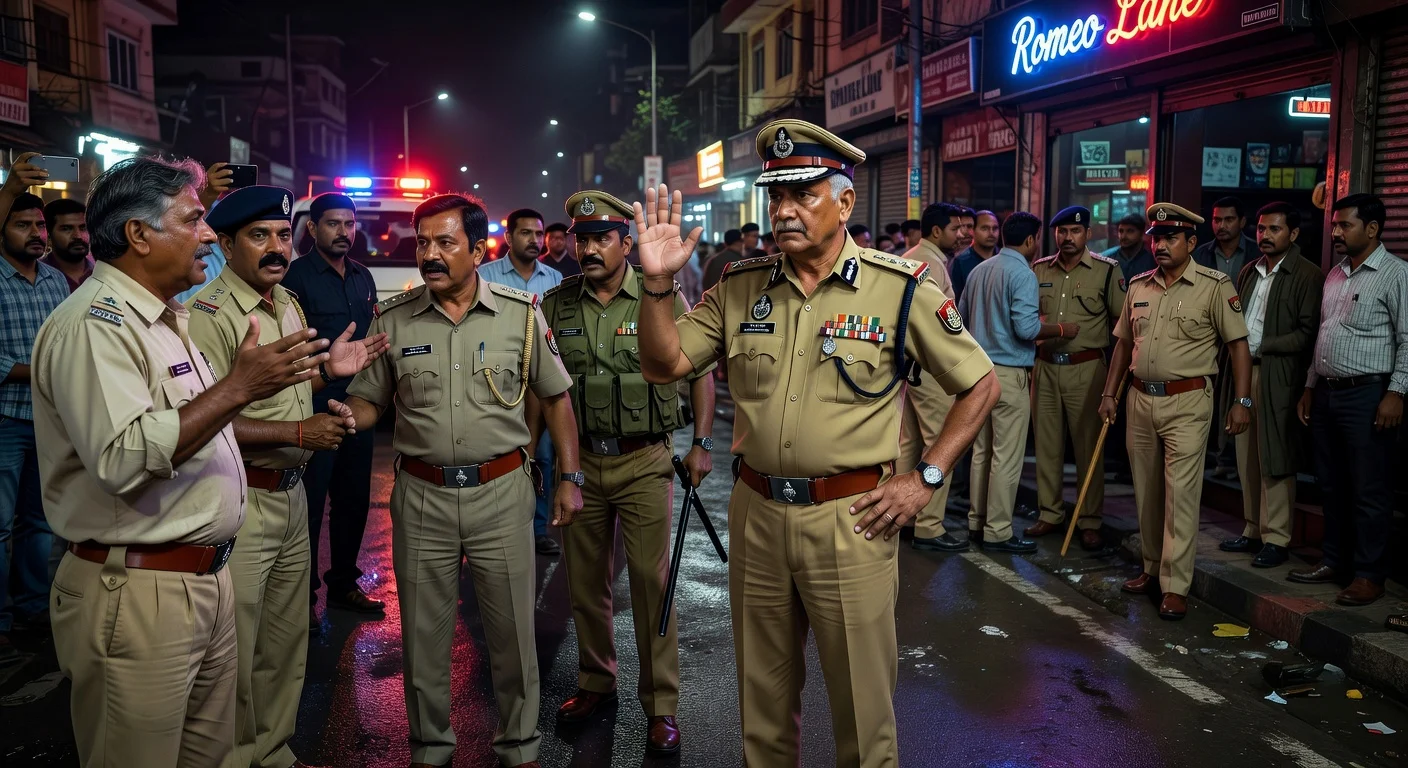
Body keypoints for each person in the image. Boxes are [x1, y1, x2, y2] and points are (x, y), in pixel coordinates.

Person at [634, 119, 999, 766]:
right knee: (764, 708)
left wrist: (928, 477)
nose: (784, 211)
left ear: (846, 203)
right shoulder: (741, 288)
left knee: (862, 711)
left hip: (850, 519)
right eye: (776, 196)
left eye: (802, 193)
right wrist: (658, 284)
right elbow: (664, 365)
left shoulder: (900, 289)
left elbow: (979, 384)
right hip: (757, 516)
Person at [33, 155, 332, 767]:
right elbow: (122, 459)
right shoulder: (96, 326)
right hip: (139, 590)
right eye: (194, 220)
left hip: (199, 579)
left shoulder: (166, 321)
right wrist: (237, 389)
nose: (206, 235)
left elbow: (193, 431)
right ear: (140, 235)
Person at [339, 193, 582, 768]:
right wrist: (346, 411)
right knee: (423, 637)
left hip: (501, 492)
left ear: (477, 250)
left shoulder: (521, 316)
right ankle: (431, 749)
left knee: (512, 637)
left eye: (444, 242)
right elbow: (369, 403)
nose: (429, 253)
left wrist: (568, 477)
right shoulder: (392, 321)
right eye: (422, 241)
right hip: (421, 495)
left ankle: (519, 748)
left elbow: (556, 398)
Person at [186, 185, 387, 768]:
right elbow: (206, 423)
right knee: (238, 651)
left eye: (280, 234)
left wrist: (329, 372)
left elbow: (292, 394)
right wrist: (299, 436)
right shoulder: (211, 316)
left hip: (292, 499)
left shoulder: (286, 305)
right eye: (258, 236)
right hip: (242, 497)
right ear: (225, 244)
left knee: (284, 643)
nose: (275, 247)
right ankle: (237, 755)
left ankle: (272, 750)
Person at [540, 190, 715, 755]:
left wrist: (702, 444)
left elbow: (700, 372)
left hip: (645, 461)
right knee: (584, 583)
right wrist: (531, 455)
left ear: (624, 242)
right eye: (581, 238)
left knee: (649, 581)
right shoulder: (557, 304)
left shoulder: (658, 296)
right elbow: (544, 389)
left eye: (601, 239)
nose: (588, 248)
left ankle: (661, 705)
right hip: (581, 463)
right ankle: (596, 680)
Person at [1099, 203, 1251, 621]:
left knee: (1180, 495)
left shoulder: (1214, 286)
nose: (1159, 245)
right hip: (1138, 399)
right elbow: (1123, 346)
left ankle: (1175, 585)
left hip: (1188, 402)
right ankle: (1151, 569)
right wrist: (1110, 393)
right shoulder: (1139, 286)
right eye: (1156, 238)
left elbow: (1238, 346)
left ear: (1191, 242)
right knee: (1145, 492)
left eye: (1169, 238)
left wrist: (1242, 401)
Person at [1291, 193, 1406, 606]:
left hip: (1369, 395)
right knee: (1332, 484)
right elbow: (1324, 333)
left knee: (1369, 489)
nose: (1335, 232)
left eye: (1344, 225)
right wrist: (1309, 386)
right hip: (1327, 392)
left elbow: (1407, 339)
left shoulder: (1396, 274)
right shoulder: (1335, 275)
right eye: (1335, 225)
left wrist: (1396, 393)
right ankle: (1334, 561)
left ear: (1372, 229)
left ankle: (1369, 575)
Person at [282, 192, 386, 624]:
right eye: (334, 224)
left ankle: (343, 584)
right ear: (312, 228)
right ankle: (302, 598)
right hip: (314, 405)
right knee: (309, 500)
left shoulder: (363, 276)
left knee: (353, 499)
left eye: (350, 223)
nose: (344, 232)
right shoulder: (296, 278)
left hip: (358, 406)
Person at [958, 212, 1071, 553]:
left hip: (978, 373)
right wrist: (1062, 329)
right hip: (1008, 375)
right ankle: (998, 531)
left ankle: (977, 524)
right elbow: (1027, 329)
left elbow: (960, 321)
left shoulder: (980, 270)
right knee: (1005, 457)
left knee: (981, 453)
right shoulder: (1022, 273)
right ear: (1031, 240)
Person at [1218, 202, 1322, 568]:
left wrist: (1263, 346)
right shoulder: (1249, 271)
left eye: (1274, 229)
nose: (1265, 236)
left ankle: (1277, 537)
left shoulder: (1308, 275)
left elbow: (1308, 333)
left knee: (1275, 457)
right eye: (1262, 229)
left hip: (1280, 374)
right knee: (1246, 452)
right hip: (1245, 371)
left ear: (1293, 234)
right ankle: (1252, 529)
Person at [1025, 206, 1125, 550]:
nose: (1068, 238)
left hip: (1088, 368)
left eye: (1075, 232)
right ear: (1054, 234)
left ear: (1088, 234)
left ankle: (1089, 519)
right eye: (1062, 231)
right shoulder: (1038, 270)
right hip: (1046, 366)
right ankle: (1050, 513)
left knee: (1087, 448)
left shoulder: (1107, 272)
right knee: (1047, 447)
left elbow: (1123, 327)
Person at [0, 159, 64, 655]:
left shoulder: (56, 281)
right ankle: (2, 620)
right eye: (23, 225)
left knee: (40, 523)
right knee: (0, 526)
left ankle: (32, 609)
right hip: (5, 420)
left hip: (45, 419)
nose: (37, 233)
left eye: (40, 225)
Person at [480, 207, 565, 556]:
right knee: (494, 456)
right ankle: (490, 529)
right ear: (509, 237)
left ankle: (537, 527)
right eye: (526, 233)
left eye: (538, 233)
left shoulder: (555, 279)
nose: (534, 240)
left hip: (539, 383)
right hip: (496, 381)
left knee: (541, 457)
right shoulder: (484, 275)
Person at [903, 202, 965, 551]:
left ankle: (903, 517)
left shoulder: (914, 257)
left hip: (912, 369)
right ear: (937, 231)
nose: (961, 235)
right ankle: (929, 525)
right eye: (956, 229)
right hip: (929, 369)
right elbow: (939, 324)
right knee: (942, 443)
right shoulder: (929, 264)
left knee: (906, 446)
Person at [1193, 196, 1256, 479]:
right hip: (1208, 337)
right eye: (1217, 219)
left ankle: (1232, 459)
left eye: (1228, 219)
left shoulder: (1256, 252)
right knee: (1211, 396)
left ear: (1242, 222)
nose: (1221, 225)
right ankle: (1212, 456)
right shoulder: (1201, 254)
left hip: (1244, 334)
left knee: (1239, 396)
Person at [40, 198, 92, 292]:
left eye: (83, 228)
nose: (78, 236)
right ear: (49, 236)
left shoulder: (101, 273)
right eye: (66, 229)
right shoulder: (37, 277)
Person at [950, 209, 999, 300]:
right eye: (985, 228)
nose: (991, 233)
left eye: (995, 228)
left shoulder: (1004, 260)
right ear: (973, 231)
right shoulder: (961, 262)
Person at [1102, 213, 1156, 283]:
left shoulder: (1152, 260)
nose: (1123, 236)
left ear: (1141, 233)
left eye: (1130, 231)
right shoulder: (1107, 258)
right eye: (1121, 231)